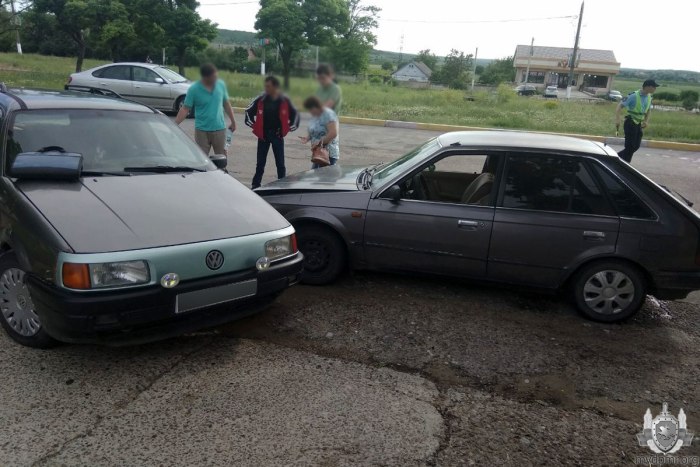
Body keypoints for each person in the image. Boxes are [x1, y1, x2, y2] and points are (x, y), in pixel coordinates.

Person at [245, 75, 300, 189]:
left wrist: (288, 128)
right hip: (263, 136)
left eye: (268, 86)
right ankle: (255, 185)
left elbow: (296, 115)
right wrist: (256, 128)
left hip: (277, 135)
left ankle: (282, 185)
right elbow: (248, 113)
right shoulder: (260, 99)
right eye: (265, 86)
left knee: (280, 164)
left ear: (275, 87)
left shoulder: (284, 100)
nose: (266, 88)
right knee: (260, 164)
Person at [176, 63, 236, 156]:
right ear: (205, 77)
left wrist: (233, 121)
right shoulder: (194, 89)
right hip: (202, 131)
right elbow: (185, 108)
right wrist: (175, 124)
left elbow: (226, 104)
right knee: (202, 159)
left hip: (219, 129)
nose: (216, 79)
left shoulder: (220, 85)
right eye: (213, 77)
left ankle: (222, 171)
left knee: (222, 158)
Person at [616, 79, 658, 163]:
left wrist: (646, 121)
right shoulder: (633, 95)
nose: (655, 89)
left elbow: (649, 110)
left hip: (638, 124)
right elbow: (619, 106)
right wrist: (617, 119)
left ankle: (615, 158)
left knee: (636, 146)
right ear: (648, 87)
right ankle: (625, 165)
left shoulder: (649, 97)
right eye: (654, 87)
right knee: (630, 147)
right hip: (630, 122)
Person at [300, 96, 339, 168]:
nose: (310, 112)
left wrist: (318, 143)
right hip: (317, 153)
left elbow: (333, 133)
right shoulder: (316, 115)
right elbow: (315, 130)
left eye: (310, 109)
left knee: (325, 178)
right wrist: (308, 138)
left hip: (327, 154)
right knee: (316, 176)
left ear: (315, 107)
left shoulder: (328, 114)